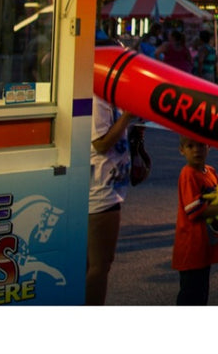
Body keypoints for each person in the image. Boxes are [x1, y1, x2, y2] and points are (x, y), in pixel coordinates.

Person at [172, 135, 218, 305]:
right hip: (192, 247)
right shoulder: (188, 174)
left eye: (201, 145)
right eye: (190, 146)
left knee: (201, 293)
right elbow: (194, 210)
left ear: (209, 146)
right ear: (182, 150)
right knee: (191, 295)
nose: (197, 150)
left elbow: (217, 198)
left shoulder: (210, 171)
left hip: (204, 245)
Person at [87, 96, 136, 305]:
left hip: (109, 187)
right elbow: (100, 144)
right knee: (99, 265)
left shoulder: (109, 96)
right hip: (101, 191)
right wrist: (127, 116)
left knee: (96, 263)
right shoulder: (97, 99)